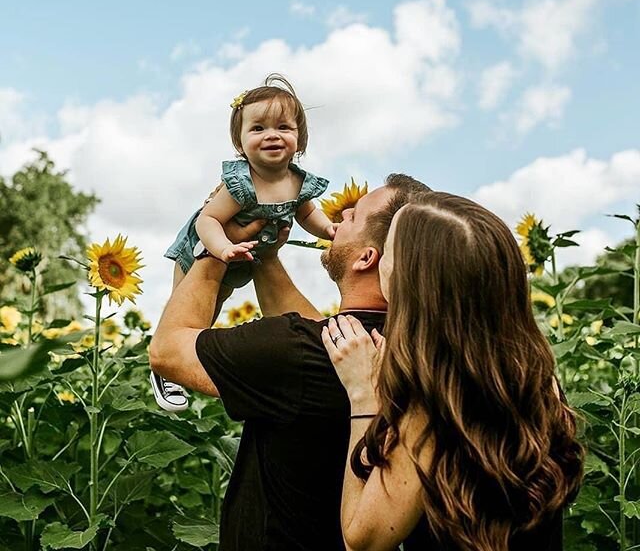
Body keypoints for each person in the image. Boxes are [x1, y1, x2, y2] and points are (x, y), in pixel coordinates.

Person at [149, 174, 432, 551]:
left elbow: (168, 351)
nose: (344, 211)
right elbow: (318, 333)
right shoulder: (403, 348)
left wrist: (212, 248)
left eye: (356, 215)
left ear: (368, 258)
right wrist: (264, 254)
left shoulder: (297, 353)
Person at [322, 192, 584, 551]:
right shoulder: (536, 378)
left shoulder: (429, 403)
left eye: (391, 249)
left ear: (411, 282)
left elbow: (363, 541)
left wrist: (364, 396)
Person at [151, 74, 336, 412]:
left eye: (284, 126)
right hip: (202, 250)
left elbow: (310, 216)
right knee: (189, 309)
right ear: (239, 143)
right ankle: (165, 372)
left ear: (300, 138)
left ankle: (187, 355)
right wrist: (220, 250)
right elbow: (208, 219)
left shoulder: (298, 183)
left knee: (215, 305)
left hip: (247, 255)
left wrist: (330, 231)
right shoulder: (240, 183)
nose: (272, 135)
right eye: (258, 128)